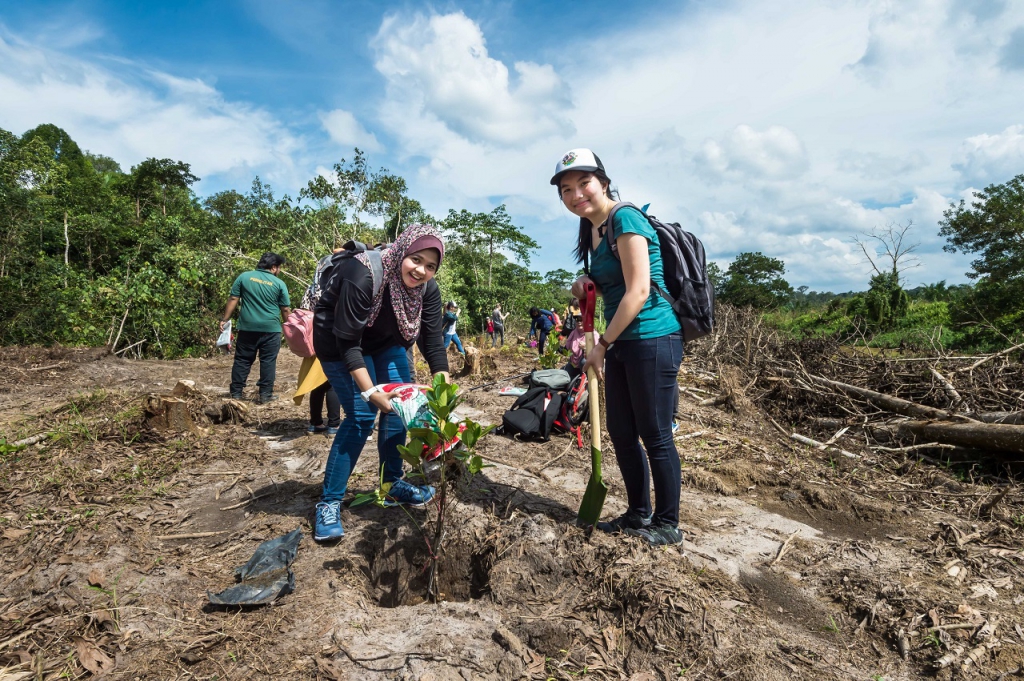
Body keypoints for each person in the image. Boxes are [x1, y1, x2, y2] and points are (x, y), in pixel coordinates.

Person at [551, 148, 684, 547]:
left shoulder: (625, 218)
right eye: (566, 189)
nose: (576, 195)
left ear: (603, 183)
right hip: (623, 340)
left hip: (653, 337)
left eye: (584, 183)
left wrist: (602, 345)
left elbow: (639, 289)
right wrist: (581, 282)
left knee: (655, 432)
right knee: (621, 431)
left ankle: (668, 523)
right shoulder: (590, 230)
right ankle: (638, 512)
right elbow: (606, 283)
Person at [311, 224, 449, 542]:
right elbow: (348, 342)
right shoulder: (363, 273)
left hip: (385, 341)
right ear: (403, 251)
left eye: (431, 266)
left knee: (401, 405)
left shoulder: (427, 289)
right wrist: (371, 391)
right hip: (338, 340)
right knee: (360, 417)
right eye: (416, 260)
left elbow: (432, 341)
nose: (421, 270)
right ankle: (329, 503)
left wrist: (443, 389)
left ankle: (391, 485)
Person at [220, 253, 291, 403]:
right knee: (268, 361)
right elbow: (285, 309)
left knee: (242, 360)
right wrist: (289, 327)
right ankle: (265, 395)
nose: (279, 271)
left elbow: (233, 298)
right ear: (273, 267)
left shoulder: (244, 277)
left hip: (247, 328)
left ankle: (236, 393)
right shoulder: (279, 284)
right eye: (278, 268)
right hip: (271, 329)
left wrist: (224, 319)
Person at [293, 251, 342, 435]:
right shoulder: (340, 284)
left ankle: (315, 422)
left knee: (316, 382)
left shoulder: (313, 287)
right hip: (334, 337)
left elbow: (305, 311)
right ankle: (334, 424)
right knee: (332, 382)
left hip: (314, 338)